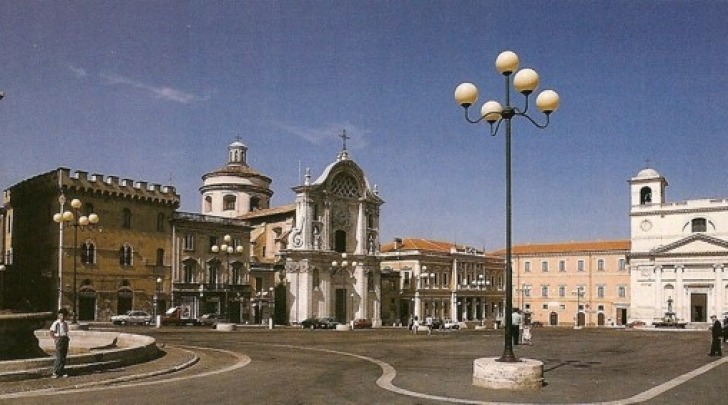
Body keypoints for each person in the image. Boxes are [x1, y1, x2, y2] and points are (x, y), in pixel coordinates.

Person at [50, 308, 70, 378]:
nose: (63, 317)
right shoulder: (56, 323)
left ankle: (61, 370)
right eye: (61, 315)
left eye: (64, 316)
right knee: (59, 356)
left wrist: (67, 338)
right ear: (59, 315)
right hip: (59, 339)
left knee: (63, 357)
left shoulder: (65, 324)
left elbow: (66, 331)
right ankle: (55, 372)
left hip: (64, 339)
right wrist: (56, 339)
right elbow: (51, 332)